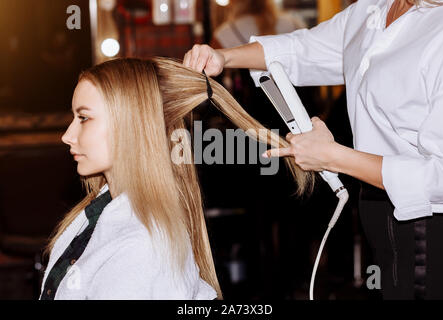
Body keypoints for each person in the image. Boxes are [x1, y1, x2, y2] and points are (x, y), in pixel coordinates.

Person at [184, 0, 443, 299]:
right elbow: (303, 49)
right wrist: (223, 57)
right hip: (377, 205)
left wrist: (334, 156)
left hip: (430, 223)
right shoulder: (374, 8)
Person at [39, 57, 314, 300]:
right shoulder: (101, 214)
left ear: (130, 123)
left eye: (84, 118)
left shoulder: (142, 246)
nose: (67, 135)